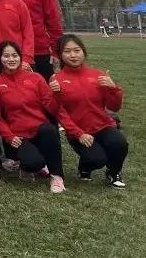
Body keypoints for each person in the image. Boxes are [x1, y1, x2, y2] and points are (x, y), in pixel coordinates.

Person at [51, 34, 127, 188]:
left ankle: (114, 172)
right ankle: (85, 167)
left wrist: (113, 89)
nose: (73, 55)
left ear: (83, 52)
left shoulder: (98, 75)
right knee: (97, 159)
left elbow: (114, 107)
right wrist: (78, 134)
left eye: (76, 50)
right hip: (78, 132)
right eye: (67, 51)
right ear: (61, 55)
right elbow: (59, 112)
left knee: (119, 143)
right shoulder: (56, 79)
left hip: (103, 126)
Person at [0, 41, 65, 193]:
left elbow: (51, 108)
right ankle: (26, 165)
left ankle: (57, 177)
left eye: (14, 55)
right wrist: (9, 136)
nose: (11, 59)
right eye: (6, 56)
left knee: (49, 130)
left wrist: (57, 94)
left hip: (40, 131)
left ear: (20, 57)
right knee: (33, 163)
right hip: (19, 137)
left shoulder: (35, 78)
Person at [4, 0, 64, 81]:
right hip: (8, 52)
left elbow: (54, 24)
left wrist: (56, 52)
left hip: (39, 51)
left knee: (45, 88)